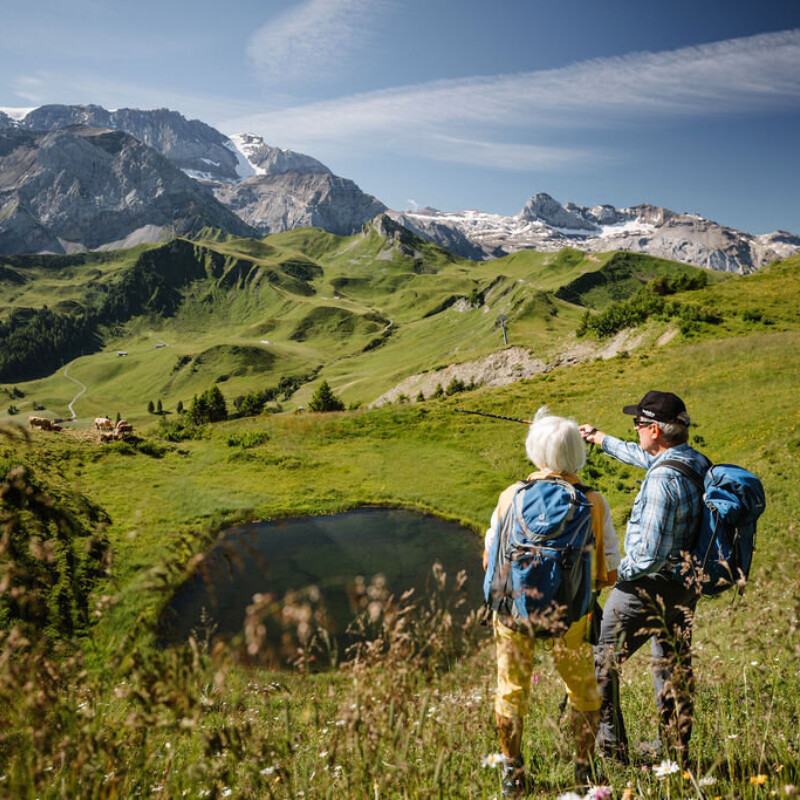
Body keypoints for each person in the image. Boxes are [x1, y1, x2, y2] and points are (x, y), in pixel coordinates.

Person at [483, 407, 620, 796]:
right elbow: (609, 571)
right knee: (583, 689)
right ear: (577, 452)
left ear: (535, 452)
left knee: (510, 689)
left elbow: (491, 555)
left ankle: (512, 773)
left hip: (512, 610)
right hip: (571, 614)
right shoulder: (593, 501)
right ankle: (583, 770)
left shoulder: (511, 495)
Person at [579, 390, 710, 768]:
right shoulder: (693, 461)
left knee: (599, 665)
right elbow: (645, 458)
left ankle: (612, 749)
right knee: (672, 668)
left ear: (654, 429)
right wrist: (599, 438)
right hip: (685, 586)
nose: (634, 429)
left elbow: (649, 556)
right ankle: (675, 754)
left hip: (643, 589)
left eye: (638, 424)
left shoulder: (659, 484)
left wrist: (612, 575)